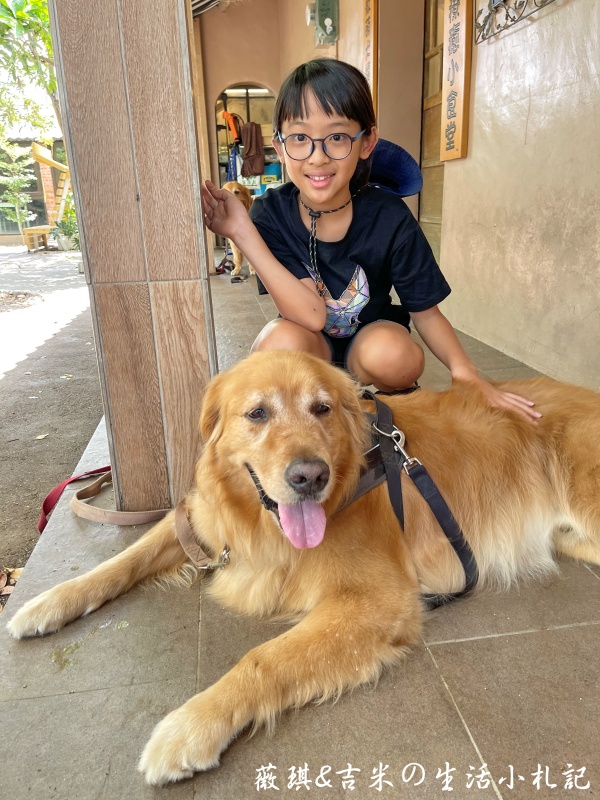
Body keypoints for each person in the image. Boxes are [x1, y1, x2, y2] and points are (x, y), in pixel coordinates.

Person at [202, 58, 540, 422]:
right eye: (300, 138)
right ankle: (304, 421)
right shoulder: (269, 214)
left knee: (398, 356)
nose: (318, 157)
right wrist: (242, 233)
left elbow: (425, 311)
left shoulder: (390, 216)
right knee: (277, 344)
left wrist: (466, 373)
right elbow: (312, 315)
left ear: (367, 142)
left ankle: (387, 409)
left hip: (369, 344)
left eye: (337, 137)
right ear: (281, 147)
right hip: (309, 346)